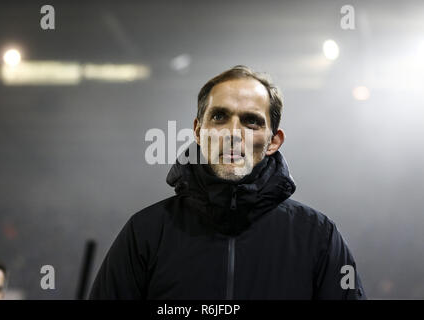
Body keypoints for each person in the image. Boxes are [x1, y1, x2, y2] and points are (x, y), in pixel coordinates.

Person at [89, 65, 367, 299]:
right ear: (199, 131)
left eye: (251, 121)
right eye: (220, 116)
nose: (233, 133)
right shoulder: (146, 233)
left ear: (273, 141)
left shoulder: (317, 237)